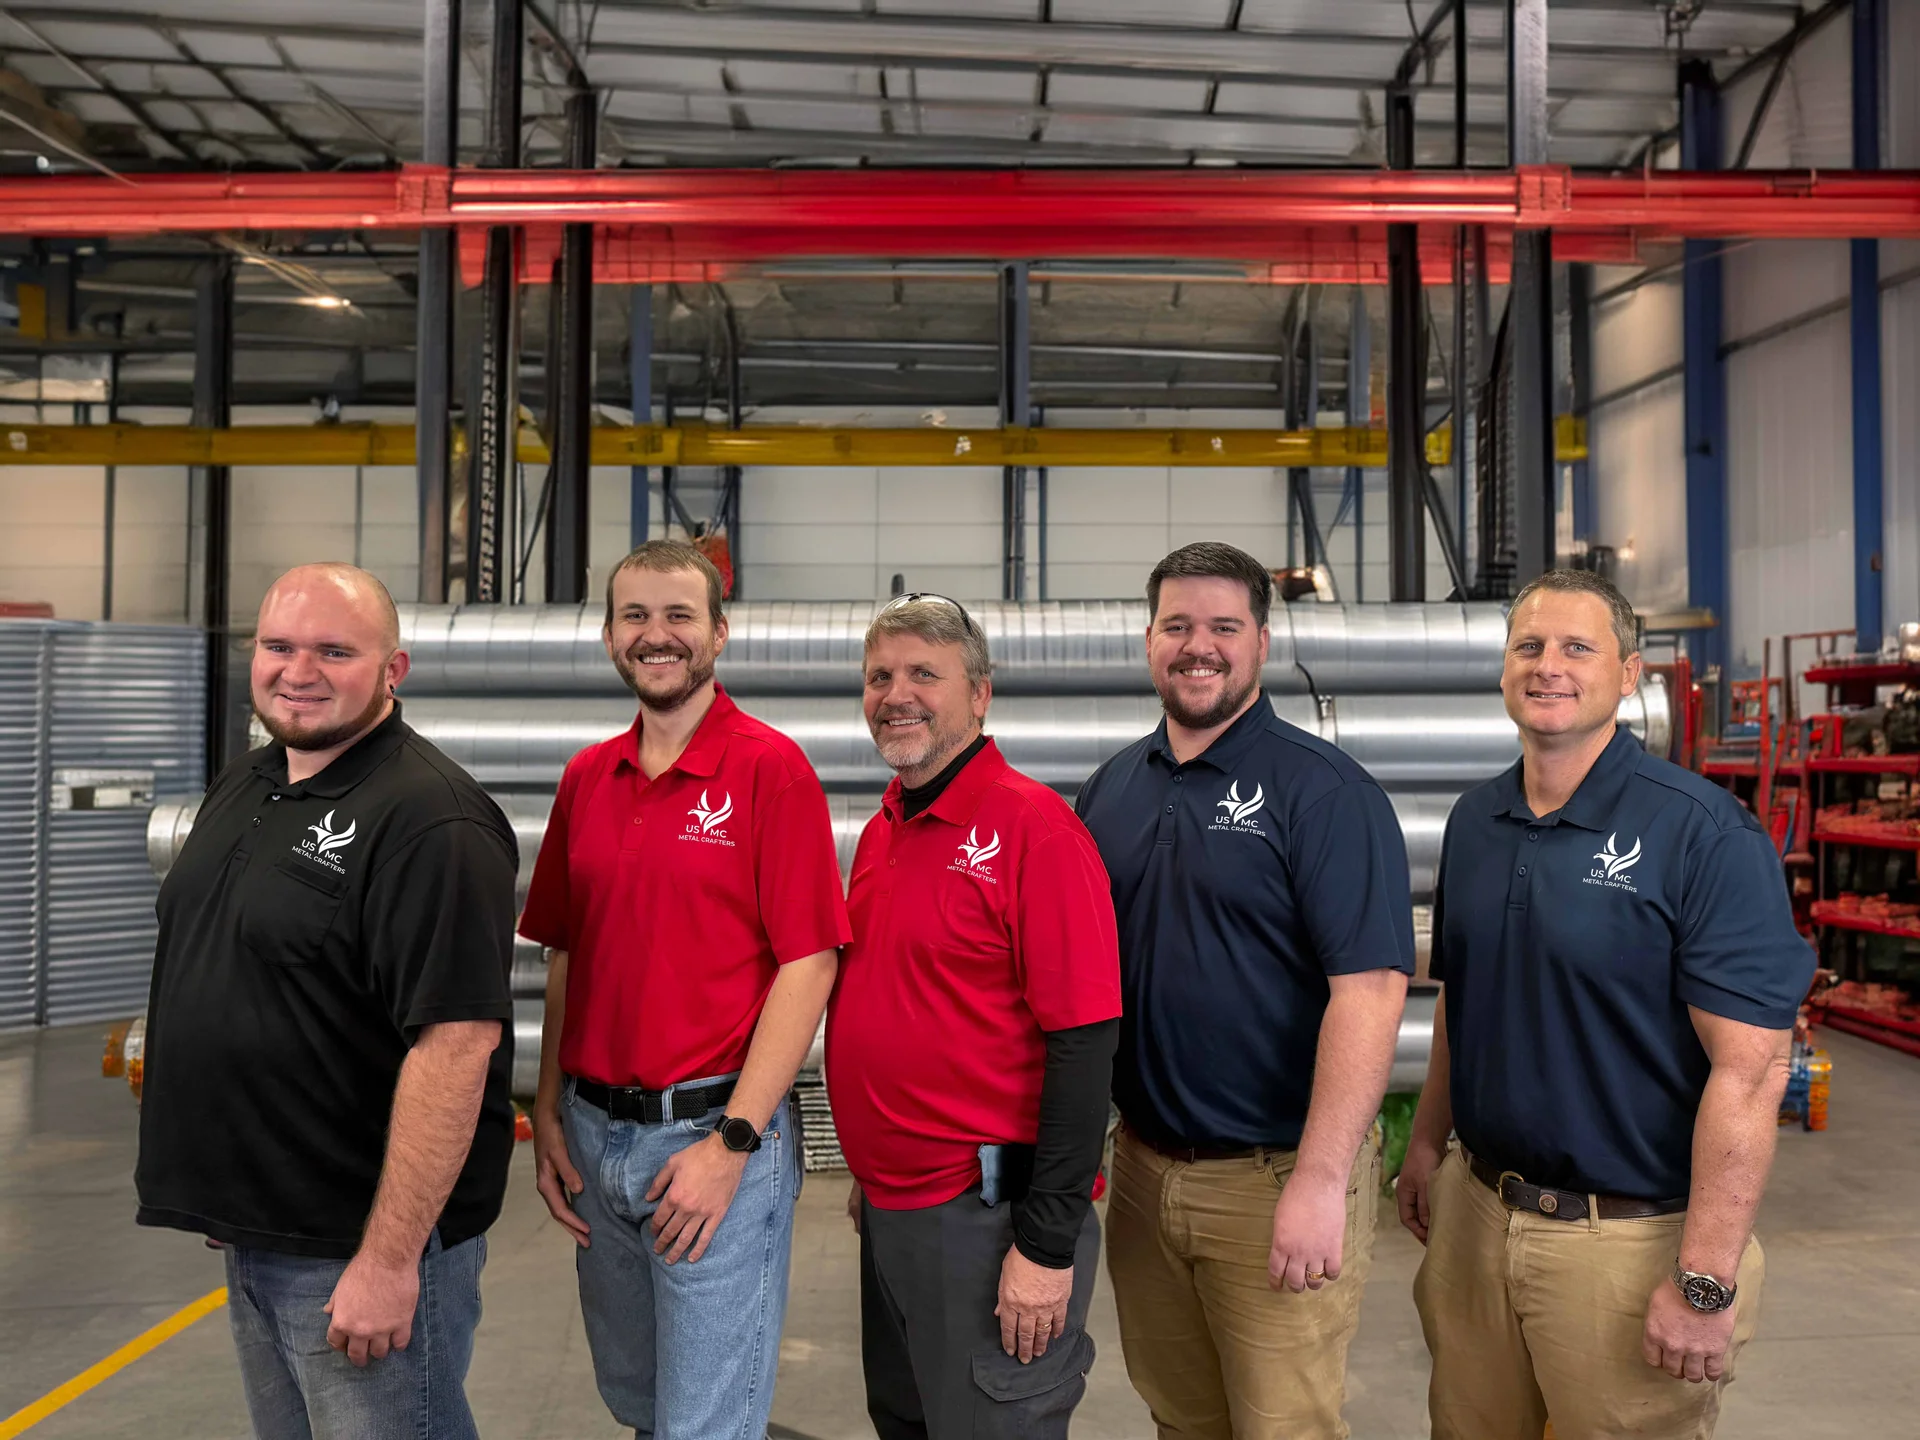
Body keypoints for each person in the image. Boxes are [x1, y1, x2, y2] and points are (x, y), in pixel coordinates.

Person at [1397, 568, 1816, 1440]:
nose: (1549, 666)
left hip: (1624, 1243)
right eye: (1529, 646)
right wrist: (1426, 1141)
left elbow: (1752, 1070)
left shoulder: (1700, 833)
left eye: (1578, 648)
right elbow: (1461, 1002)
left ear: (1629, 675)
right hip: (1477, 1218)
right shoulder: (1476, 821)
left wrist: (1704, 1281)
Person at [136, 563, 517, 1440]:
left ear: (394, 669)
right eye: (278, 646)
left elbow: (456, 1047)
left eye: (333, 651)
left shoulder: (433, 821)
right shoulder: (251, 781)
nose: (297, 671)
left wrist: (387, 1262)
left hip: (354, 1252)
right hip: (261, 1232)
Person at [1074, 541, 1413, 1440]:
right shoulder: (1111, 791)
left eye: (1224, 627)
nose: (1200, 646)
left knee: (1283, 1427)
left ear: (1262, 642)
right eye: (1177, 626)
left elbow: (1371, 990)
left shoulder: (1324, 792)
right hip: (1144, 1173)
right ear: (1148, 640)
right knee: (1180, 1418)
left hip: (1274, 1179)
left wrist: (1320, 1179)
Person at [518, 539, 849, 1439]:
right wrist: (549, 1112)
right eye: (635, 616)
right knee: (639, 1405)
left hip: (709, 1140)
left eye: (678, 616)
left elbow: (810, 963)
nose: (655, 635)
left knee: (704, 1423)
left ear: (718, 635)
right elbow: (566, 955)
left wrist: (733, 1143)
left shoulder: (767, 769)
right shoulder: (588, 778)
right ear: (610, 637)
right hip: (593, 1136)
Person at [827, 594, 1122, 1440]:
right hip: (892, 1208)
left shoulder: (1034, 829)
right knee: (908, 1423)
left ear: (980, 693)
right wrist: (874, 1166)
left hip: (988, 1223)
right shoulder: (886, 827)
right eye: (880, 675)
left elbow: (1084, 1043)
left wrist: (1047, 1245)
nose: (897, 693)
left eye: (925, 673)